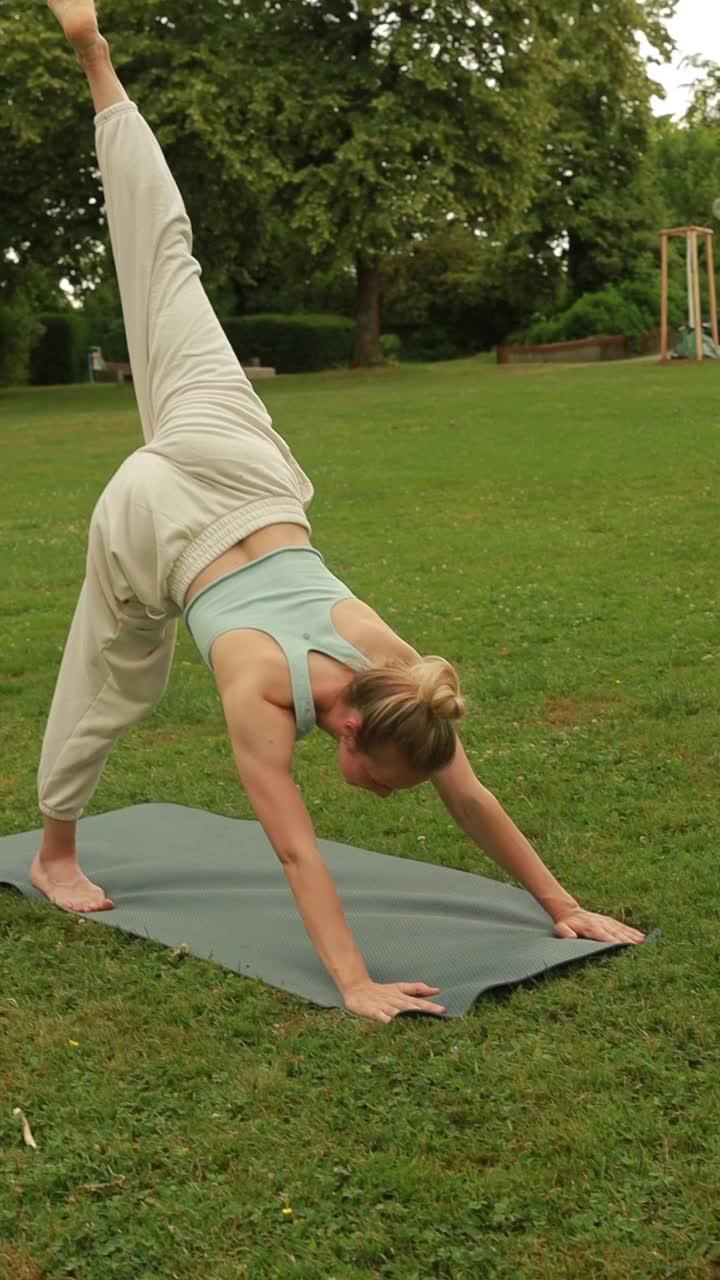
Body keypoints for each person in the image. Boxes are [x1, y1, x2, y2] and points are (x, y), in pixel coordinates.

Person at [34, 0, 645, 1024]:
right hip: (166, 515)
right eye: (387, 779)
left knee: (166, 259)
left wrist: (564, 903)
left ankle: (98, 58)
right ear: (351, 727)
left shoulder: (403, 675)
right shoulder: (268, 694)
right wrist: (353, 981)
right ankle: (56, 853)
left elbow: (464, 789)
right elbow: (293, 844)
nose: (391, 792)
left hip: (238, 460)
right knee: (113, 674)